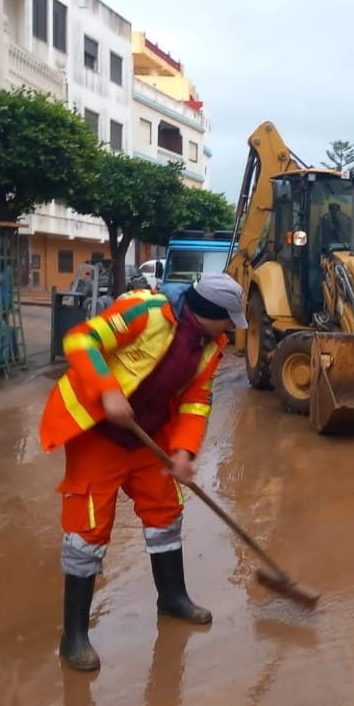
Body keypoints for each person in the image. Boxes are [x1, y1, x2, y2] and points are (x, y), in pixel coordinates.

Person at [38, 273, 247, 672]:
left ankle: (172, 598)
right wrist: (108, 389)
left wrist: (184, 452)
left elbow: (196, 401)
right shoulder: (146, 312)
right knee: (87, 531)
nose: (232, 329)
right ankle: (74, 637)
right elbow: (81, 340)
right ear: (211, 314)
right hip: (99, 434)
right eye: (230, 320)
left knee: (166, 512)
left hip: (148, 438)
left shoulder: (210, 346)